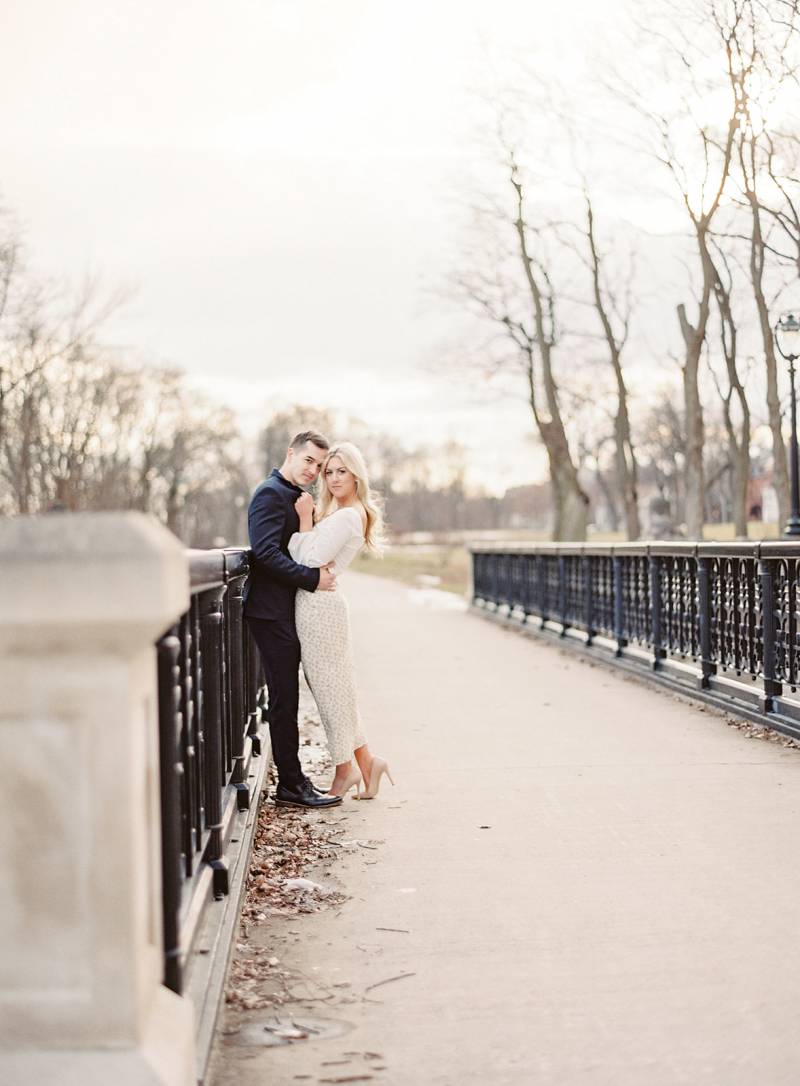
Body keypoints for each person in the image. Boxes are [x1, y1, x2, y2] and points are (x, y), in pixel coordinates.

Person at [244, 430, 343, 810]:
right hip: (270, 612)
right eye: (308, 461)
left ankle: (295, 779)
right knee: (284, 699)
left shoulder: (295, 497)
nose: (314, 470)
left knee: (289, 697)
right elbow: (265, 553)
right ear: (291, 454)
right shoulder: (269, 493)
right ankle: (290, 784)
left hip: (286, 610)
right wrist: (312, 579)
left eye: (319, 466)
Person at [288, 441, 393, 799]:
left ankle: (344, 770)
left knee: (331, 694)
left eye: (341, 471)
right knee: (337, 691)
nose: (332, 478)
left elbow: (308, 559)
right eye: (328, 471)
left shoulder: (348, 515)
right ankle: (367, 764)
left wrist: (304, 521)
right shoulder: (345, 512)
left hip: (320, 607)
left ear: (356, 475)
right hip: (320, 604)